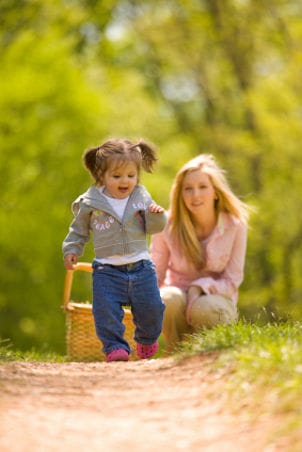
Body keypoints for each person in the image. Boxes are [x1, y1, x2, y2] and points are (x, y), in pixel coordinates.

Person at [62, 138, 166, 362]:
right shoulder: (90, 202)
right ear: (102, 175)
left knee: (153, 309)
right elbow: (78, 230)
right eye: (116, 176)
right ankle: (115, 347)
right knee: (105, 312)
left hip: (141, 268)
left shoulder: (141, 196)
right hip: (107, 271)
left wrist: (157, 216)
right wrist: (72, 249)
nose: (125, 181)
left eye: (131, 175)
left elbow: (154, 227)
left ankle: (147, 339)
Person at [150, 154, 252, 352]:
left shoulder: (235, 226)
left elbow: (232, 281)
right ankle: (177, 352)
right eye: (188, 188)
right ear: (180, 194)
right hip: (177, 300)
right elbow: (155, 275)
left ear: (215, 192)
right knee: (165, 299)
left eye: (202, 187)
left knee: (205, 308)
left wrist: (199, 287)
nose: (195, 195)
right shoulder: (166, 225)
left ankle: (210, 354)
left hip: (216, 300)